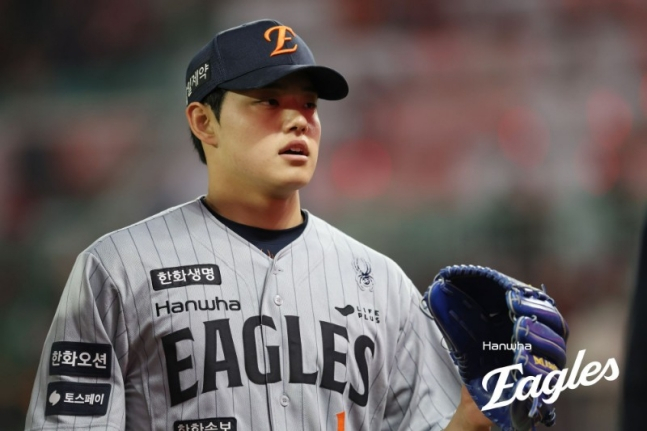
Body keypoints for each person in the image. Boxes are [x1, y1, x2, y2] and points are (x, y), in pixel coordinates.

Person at [24, 19, 492, 430]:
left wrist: (474, 419)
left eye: (308, 104)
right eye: (269, 101)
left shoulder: (382, 284)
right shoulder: (116, 270)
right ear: (204, 122)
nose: (299, 121)